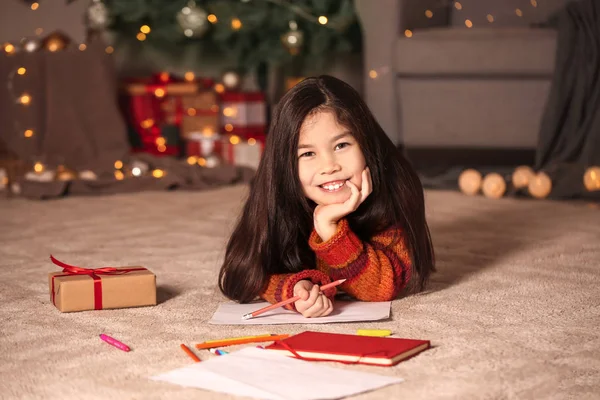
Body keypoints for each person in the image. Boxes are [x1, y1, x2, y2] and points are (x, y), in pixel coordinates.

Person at [218, 75, 435, 317]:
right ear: (286, 165)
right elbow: (246, 274)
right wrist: (294, 288)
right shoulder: (276, 199)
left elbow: (381, 289)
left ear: (366, 146)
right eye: (308, 153)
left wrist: (329, 229)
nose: (329, 166)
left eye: (341, 145)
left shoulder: (392, 193)